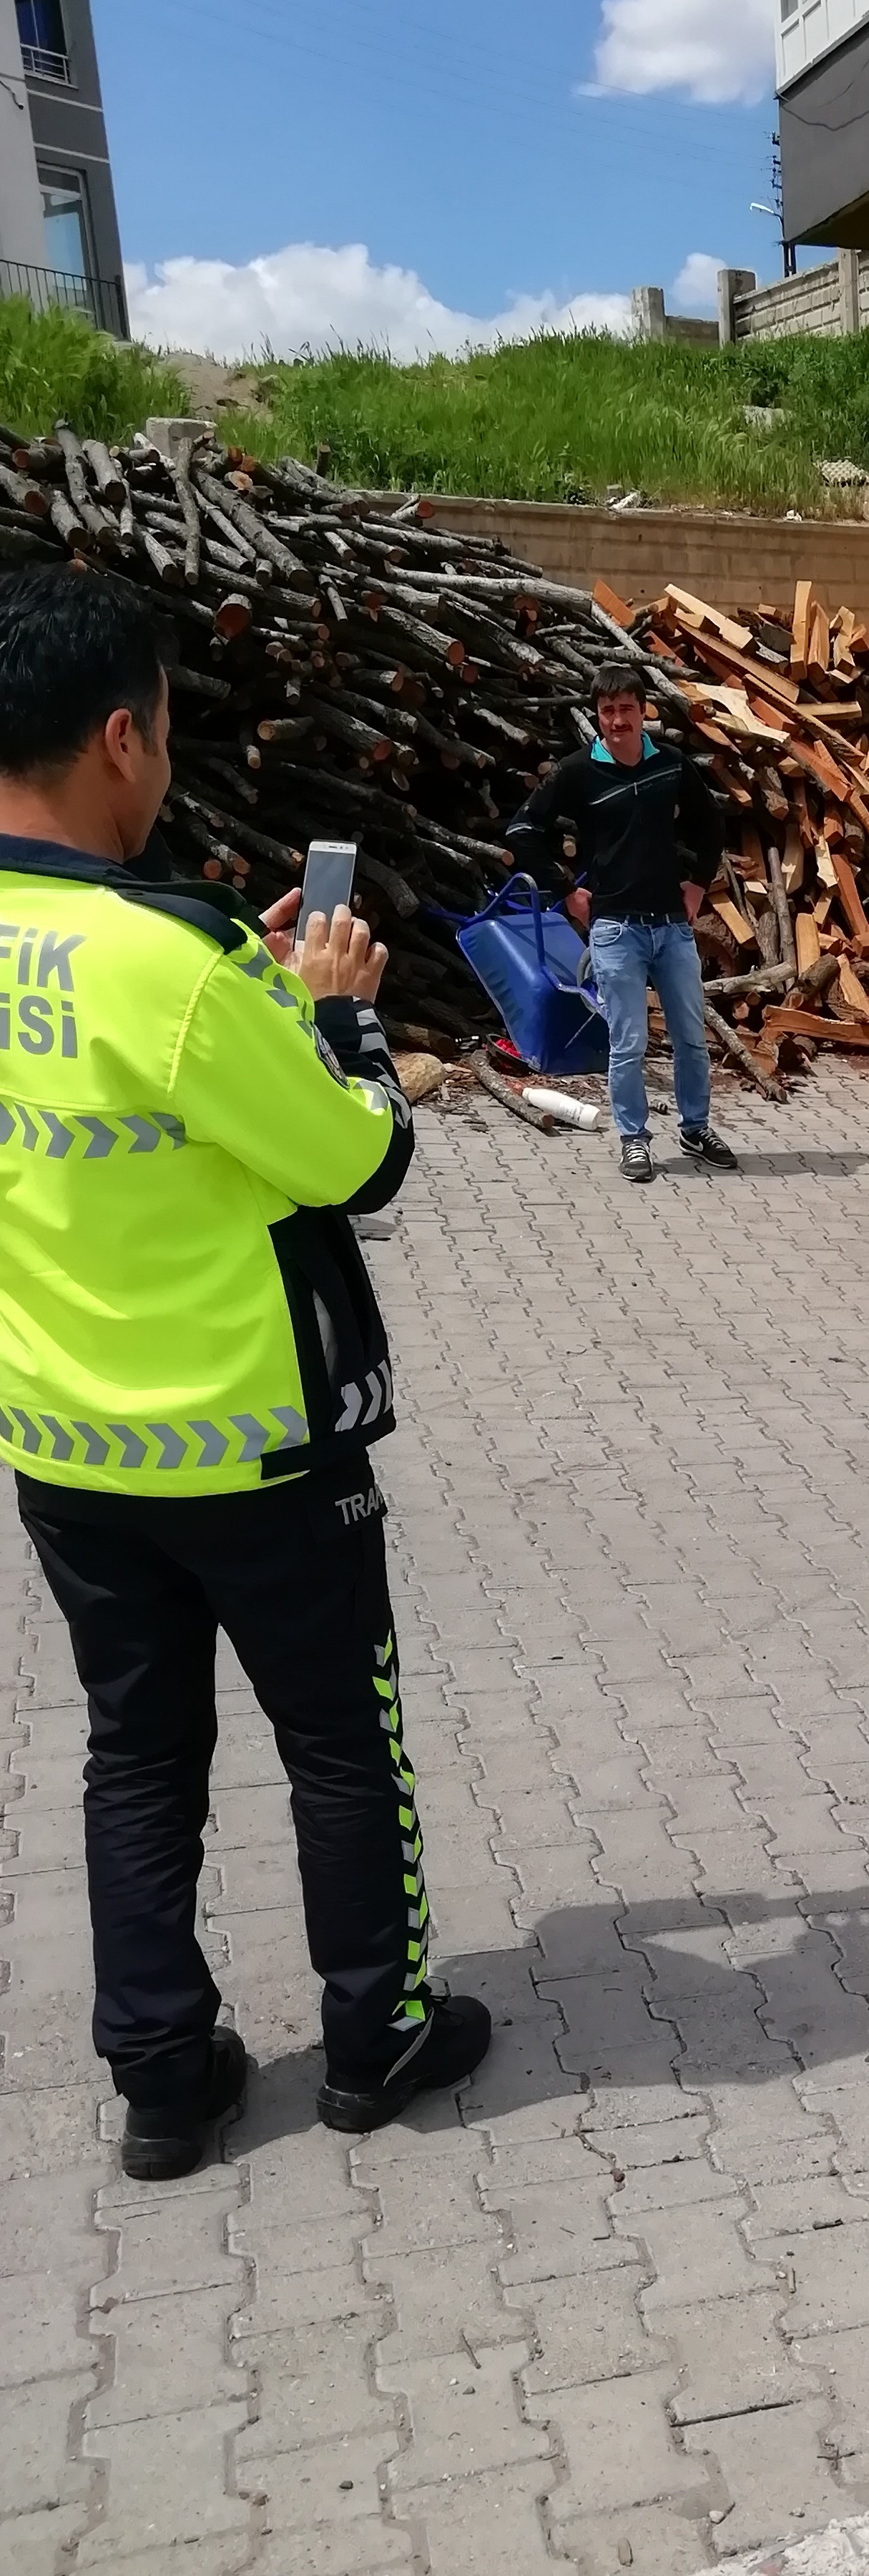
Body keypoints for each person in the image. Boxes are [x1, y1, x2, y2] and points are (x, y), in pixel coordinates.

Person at [0, 564, 490, 2181]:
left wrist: (255, 1005)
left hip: (69, 1456)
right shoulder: (177, 962)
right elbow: (357, 1160)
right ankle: (377, 2038)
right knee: (344, 1745)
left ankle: (162, 2077)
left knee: (136, 1753)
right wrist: (334, 1018)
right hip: (255, 1452)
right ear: (121, 738)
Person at [506, 666, 739, 1183]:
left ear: (643, 711)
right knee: (629, 1044)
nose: (618, 720)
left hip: (672, 927)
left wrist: (699, 883)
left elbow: (711, 825)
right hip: (615, 930)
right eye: (608, 711)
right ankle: (634, 1139)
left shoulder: (671, 766)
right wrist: (566, 891)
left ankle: (695, 1129)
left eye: (627, 709)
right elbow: (524, 829)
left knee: (692, 1040)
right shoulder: (577, 772)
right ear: (598, 716)